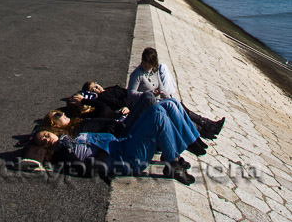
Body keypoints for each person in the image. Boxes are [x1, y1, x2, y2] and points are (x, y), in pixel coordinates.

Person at [36, 99, 205, 185]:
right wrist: (103, 156)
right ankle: (173, 164)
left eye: (45, 134)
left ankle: (192, 139)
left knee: (166, 105)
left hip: (123, 142)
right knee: (158, 115)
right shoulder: (64, 151)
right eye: (43, 139)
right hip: (126, 157)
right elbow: (87, 169)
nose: (46, 138)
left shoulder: (69, 137)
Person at [128, 47, 225, 139]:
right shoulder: (137, 74)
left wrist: (166, 96)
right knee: (174, 112)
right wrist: (148, 94)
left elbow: (160, 86)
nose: (145, 64)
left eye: (148, 63)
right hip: (144, 106)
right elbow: (131, 94)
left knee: (177, 104)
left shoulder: (154, 71)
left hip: (155, 102)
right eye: (144, 61)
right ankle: (202, 129)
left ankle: (206, 124)